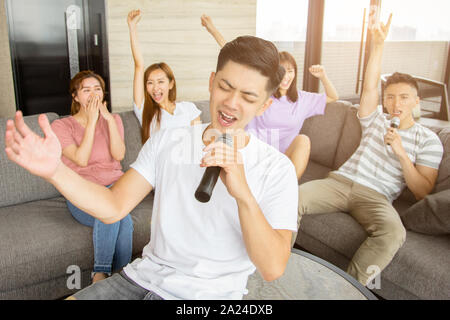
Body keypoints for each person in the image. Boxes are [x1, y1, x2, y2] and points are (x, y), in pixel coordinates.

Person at [5, 35, 298, 300]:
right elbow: (113, 205)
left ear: (263, 107)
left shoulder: (277, 168)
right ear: (211, 82)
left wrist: (243, 194)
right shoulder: (167, 141)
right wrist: (54, 170)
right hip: (141, 279)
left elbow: (272, 268)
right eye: (225, 86)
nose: (231, 103)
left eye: (248, 97)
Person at [298, 14, 444, 286]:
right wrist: (377, 46)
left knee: (393, 234)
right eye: (390, 96)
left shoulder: (429, 140)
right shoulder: (376, 117)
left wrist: (401, 152)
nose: (395, 103)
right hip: (341, 183)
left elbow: (423, 190)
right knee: (288, 198)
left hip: (377, 198)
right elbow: (369, 87)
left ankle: (347, 291)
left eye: (403, 97)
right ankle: (279, 265)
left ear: (416, 101)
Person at [201, 14, 339, 179]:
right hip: (250, 153)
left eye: (290, 71)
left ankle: (289, 187)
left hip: (281, 159)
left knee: (303, 140)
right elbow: (237, 60)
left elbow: (333, 97)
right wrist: (212, 29)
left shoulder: (303, 99)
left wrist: (323, 76)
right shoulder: (259, 96)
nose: (286, 77)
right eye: (282, 71)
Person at [50, 70, 132, 284]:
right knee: (115, 215)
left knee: (120, 217)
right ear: (75, 97)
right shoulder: (61, 126)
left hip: (115, 186)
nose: (93, 94)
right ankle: (109, 275)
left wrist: (108, 121)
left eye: (97, 89)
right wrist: (92, 122)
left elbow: (119, 155)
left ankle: (111, 280)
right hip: (82, 190)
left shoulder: (113, 119)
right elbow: (81, 159)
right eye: (86, 90)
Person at [128, 9, 201, 144]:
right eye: (150, 83)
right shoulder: (144, 111)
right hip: (161, 164)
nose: (155, 88)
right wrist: (132, 28)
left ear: (171, 84)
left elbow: (197, 144)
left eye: (160, 81)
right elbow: (139, 65)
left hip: (188, 161)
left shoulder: (188, 108)